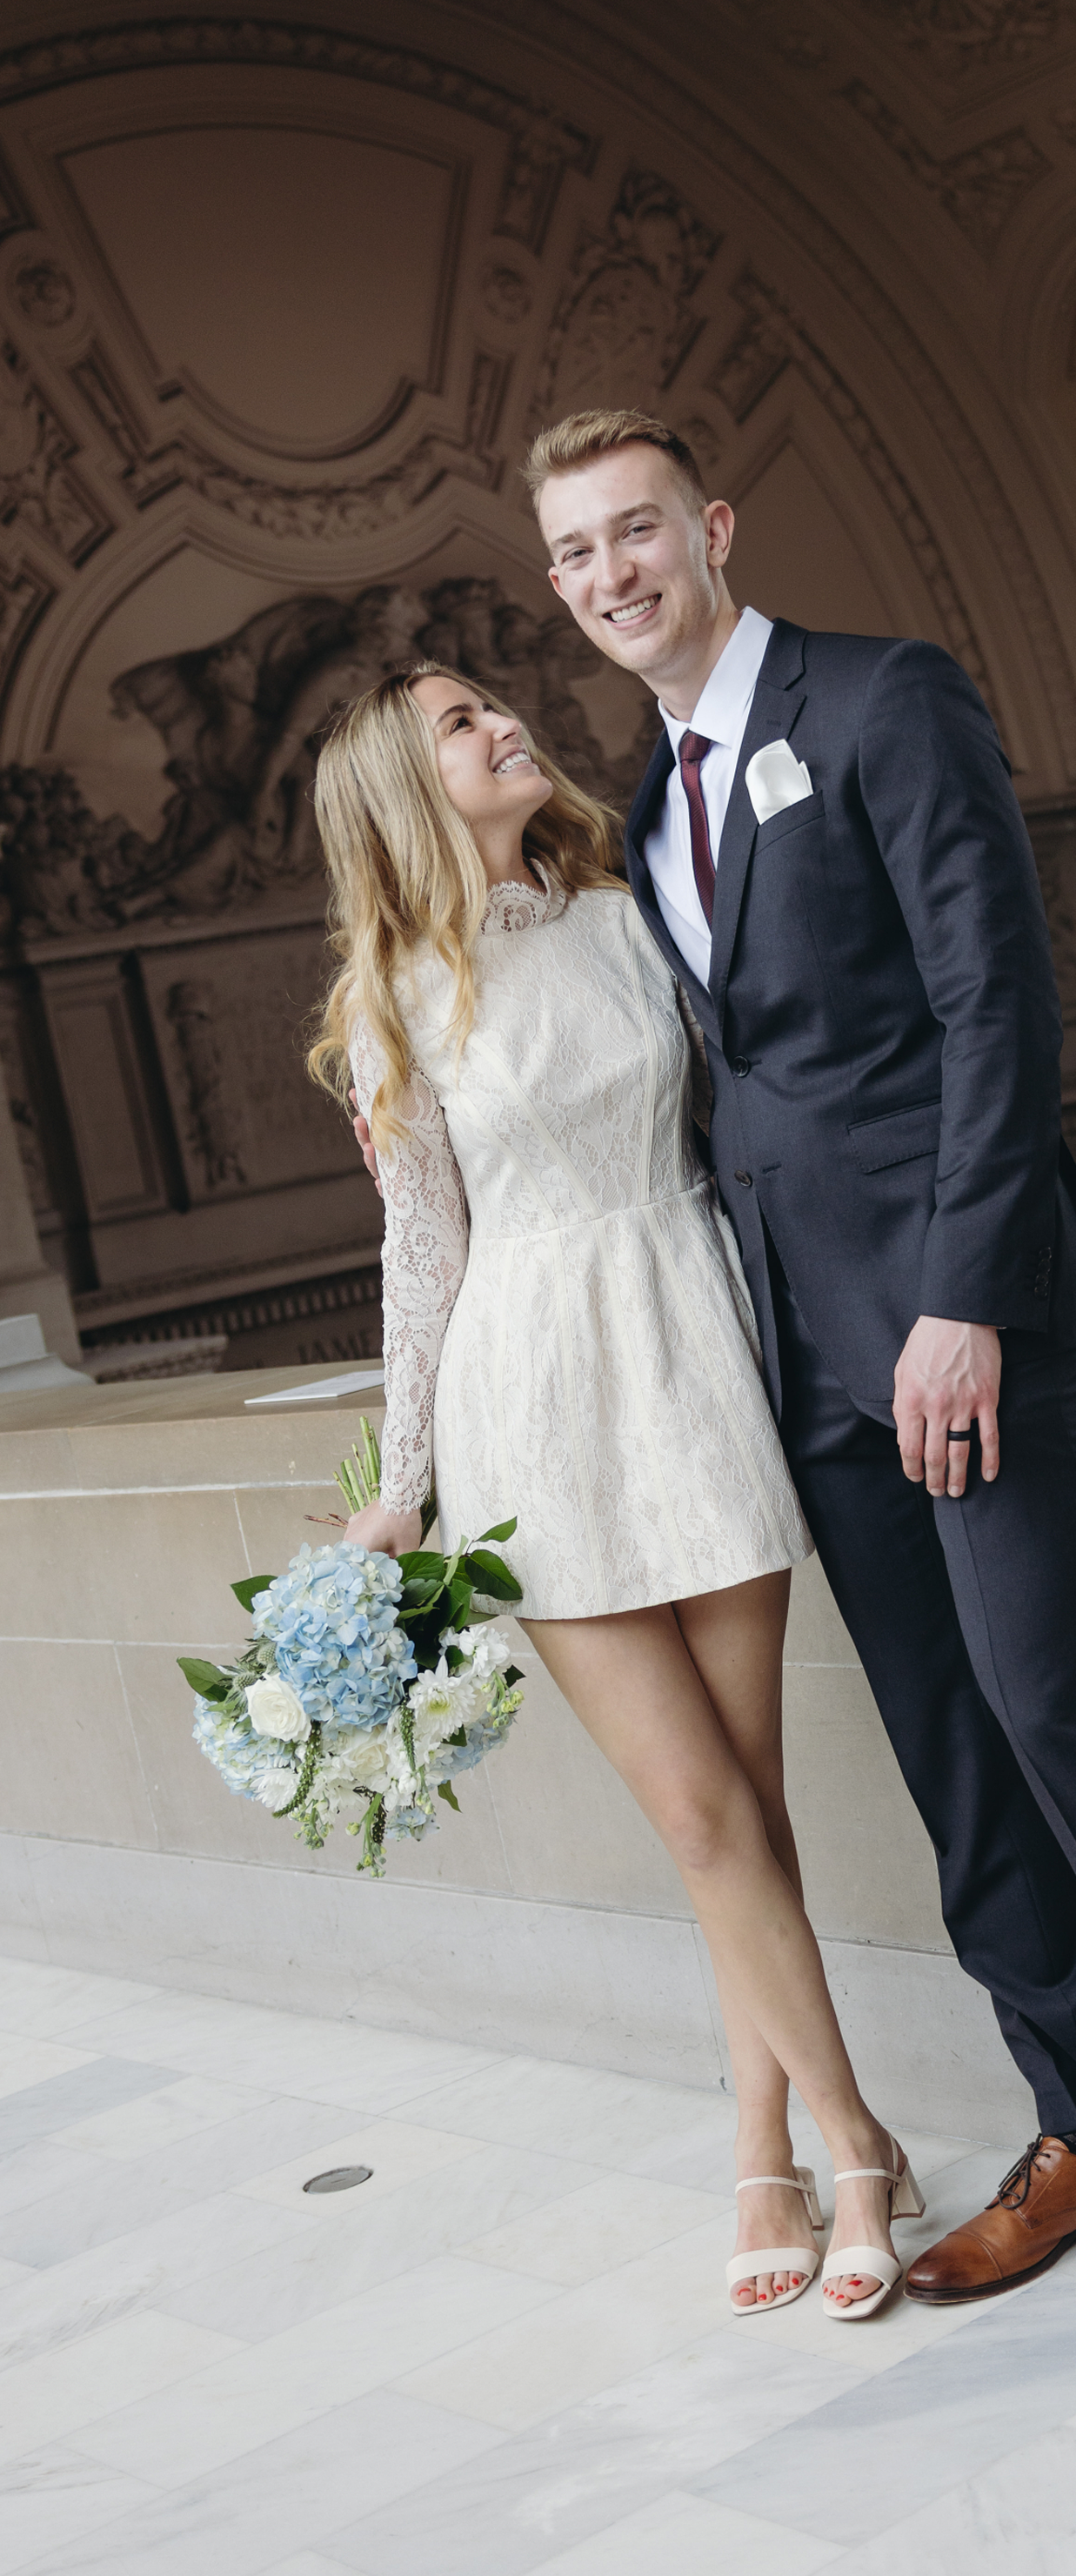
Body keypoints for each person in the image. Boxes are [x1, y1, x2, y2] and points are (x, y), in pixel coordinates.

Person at [518, 404, 1076, 2306]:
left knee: (1054, 1708)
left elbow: (996, 1002)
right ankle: (1071, 2124)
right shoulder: (636, 806)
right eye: (576, 553)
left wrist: (966, 1293)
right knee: (955, 1770)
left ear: (714, 525)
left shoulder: (877, 700)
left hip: (963, 1334)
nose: (611, 573)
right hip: (804, 1372)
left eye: (636, 529)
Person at [311, 663, 926, 2319]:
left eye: (488, 698)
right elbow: (424, 1248)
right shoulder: (391, 1003)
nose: (500, 718)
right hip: (530, 1399)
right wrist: (409, 1485)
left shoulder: (628, 910)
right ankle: (853, 2140)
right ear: (400, 788)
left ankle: (763, 2149)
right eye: (456, 723)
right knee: (695, 1814)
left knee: (755, 1805)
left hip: (690, 1350)